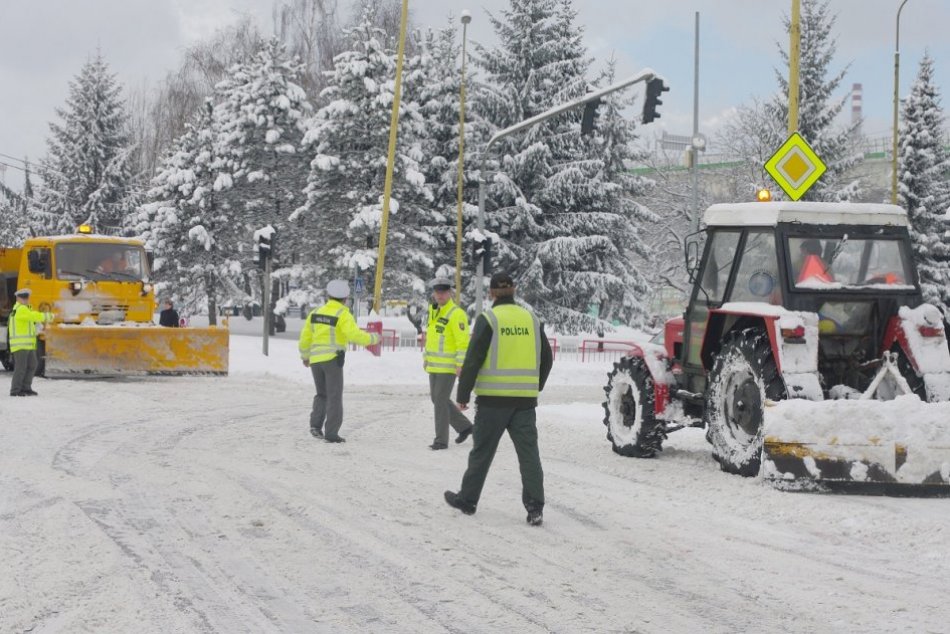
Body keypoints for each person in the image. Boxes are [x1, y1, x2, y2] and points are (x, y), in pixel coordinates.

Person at [444, 272, 554, 526]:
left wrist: (462, 395)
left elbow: (473, 359)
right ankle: (534, 507)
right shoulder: (531, 319)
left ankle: (468, 500)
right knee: (529, 455)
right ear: (514, 290)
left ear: (492, 293)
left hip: (493, 401)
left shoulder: (489, 318)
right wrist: (535, 386)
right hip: (524, 403)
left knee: (482, 452)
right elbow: (547, 358)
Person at [299, 279, 380, 443]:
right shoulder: (343, 314)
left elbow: (305, 337)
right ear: (345, 298)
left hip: (315, 361)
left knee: (321, 394)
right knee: (334, 396)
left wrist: (305, 356)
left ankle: (315, 426)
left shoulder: (315, 313)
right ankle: (331, 433)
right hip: (332, 360)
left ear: (328, 295)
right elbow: (355, 336)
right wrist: (374, 338)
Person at [423, 277, 474, 450]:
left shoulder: (456, 313)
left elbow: (462, 342)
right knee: (436, 398)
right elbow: (432, 339)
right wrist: (426, 358)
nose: (440, 295)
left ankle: (441, 441)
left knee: (440, 400)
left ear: (450, 293)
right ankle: (465, 427)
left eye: (443, 292)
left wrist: (460, 364)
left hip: (448, 366)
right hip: (434, 366)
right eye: (437, 292)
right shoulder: (433, 311)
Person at [7, 288, 53, 397]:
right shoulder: (20, 309)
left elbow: (31, 320)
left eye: (26, 298)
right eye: (23, 298)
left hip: (28, 345)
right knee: (21, 368)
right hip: (20, 345)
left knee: (32, 365)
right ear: (18, 298)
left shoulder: (25, 309)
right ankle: (15, 390)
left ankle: (26, 388)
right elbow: (34, 316)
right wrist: (48, 316)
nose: (25, 300)